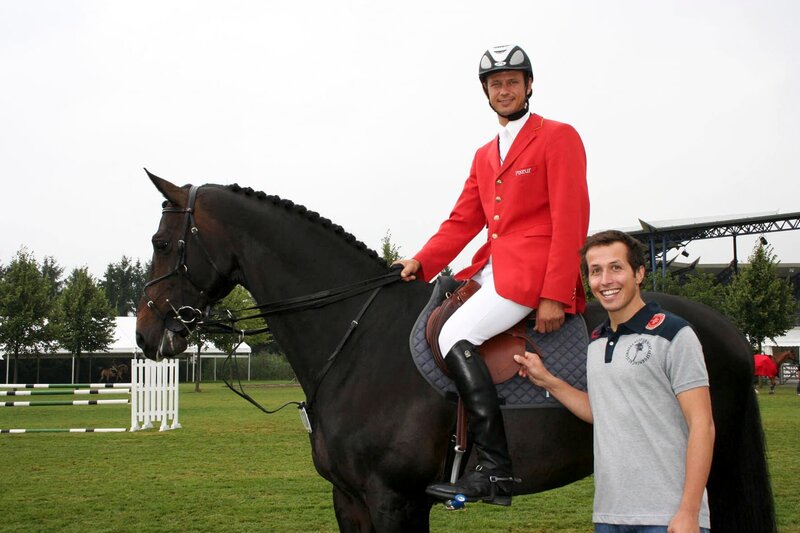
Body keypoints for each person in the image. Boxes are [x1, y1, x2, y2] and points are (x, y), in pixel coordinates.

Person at [394, 44, 590, 506]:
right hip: (491, 268)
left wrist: (555, 293)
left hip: (532, 272)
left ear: (528, 86)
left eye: (512, 82)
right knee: (436, 319)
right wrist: (421, 262)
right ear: (486, 93)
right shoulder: (485, 154)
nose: (505, 90)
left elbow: (571, 218)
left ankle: (496, 469)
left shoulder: (558, 136)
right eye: (496, 84)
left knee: (452, 335)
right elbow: (463, 220)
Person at [514, 230, 715, 532]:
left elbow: (703, 425)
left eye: (616, 267)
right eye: (596, 271)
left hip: (666, 517)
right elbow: (601, 412)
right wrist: (547, 380)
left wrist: (688, 511)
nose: (605, 280)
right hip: (610, 516)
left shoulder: (674, 334)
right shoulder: (596, 342)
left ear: (639, 273)